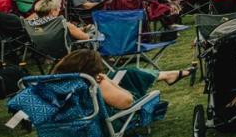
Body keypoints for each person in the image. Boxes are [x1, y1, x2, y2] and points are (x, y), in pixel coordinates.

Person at [52, 43, 191, 110]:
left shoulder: (54, 83)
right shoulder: (94, 83)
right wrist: (108, 82)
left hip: (66, 123)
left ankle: (168, 75)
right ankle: (170, 75)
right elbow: (127, 102)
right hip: (98, 124)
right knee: (130, 74)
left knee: (125, 72)